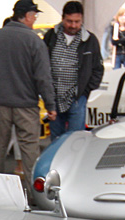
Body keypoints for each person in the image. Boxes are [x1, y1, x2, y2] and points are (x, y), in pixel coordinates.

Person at [0, 0, 56, 179]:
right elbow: (43, 77)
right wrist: (50, 105)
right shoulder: (35, 41)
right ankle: (32, 197)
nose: (35, 19)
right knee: (29, 154)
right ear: (27, 16)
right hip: (26, 106)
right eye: (34, 15)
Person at [42, 1, 103, 142]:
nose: (73, 25)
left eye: (77, 21)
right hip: (54, 98)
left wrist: (85, 91)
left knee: (75, 141)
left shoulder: (90, 40)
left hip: (77, 99)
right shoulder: (51, 36)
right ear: (62, 18)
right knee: (56, 140)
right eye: (69, 21)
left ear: (82, 20)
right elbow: (42, 65)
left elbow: (97, 69)